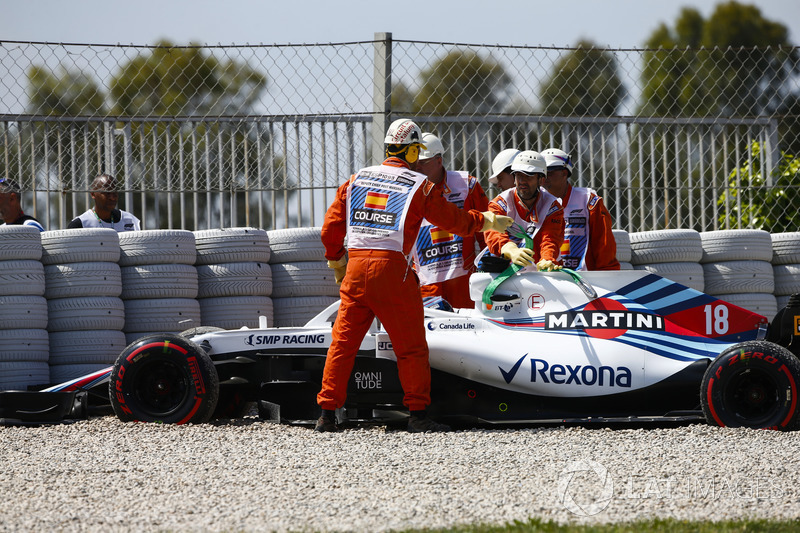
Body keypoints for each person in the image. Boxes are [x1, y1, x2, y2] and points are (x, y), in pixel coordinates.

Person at [316, 118, 513, 433]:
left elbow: (330, 229)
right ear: (411, 152)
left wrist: (336, 261)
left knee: (343, 342)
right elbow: (455, 221)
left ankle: (326, 414)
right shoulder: (418, 186)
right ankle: (418, 415)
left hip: (355, 270)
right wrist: (486, 220)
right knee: (410, 347)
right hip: (393, 270)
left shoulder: (356, 179)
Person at [411, 132, 489, 309]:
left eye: (423, 162)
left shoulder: (466, 185)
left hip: (462, 277)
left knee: (467, 328)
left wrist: (490, 269)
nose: (417, 167)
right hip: (426, 278)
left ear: (439, 161)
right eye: (415, 162)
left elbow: (486, 232)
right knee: (428, 331)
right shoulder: (410, 187)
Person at [483, 150, 564, 271]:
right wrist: (509, 249)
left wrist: (547, 259)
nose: (522, 181)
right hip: (505, 273)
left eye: (529, 176)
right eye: (519, 175)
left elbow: (550, 238)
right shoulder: (499, 203)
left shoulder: (552, 206)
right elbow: (494, 234)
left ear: (541, 180)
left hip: (539, 271)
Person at [541, 148, 619, 271]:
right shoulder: (533, 203)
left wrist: (607, 276)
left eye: (549, 173)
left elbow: (604, 244)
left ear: (564, 173)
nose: (544, 178)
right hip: (549, 277)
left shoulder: (588, 200)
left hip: (585, 278)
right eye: (541, 174)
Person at [67, 174, 141, 232]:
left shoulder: (130, 220)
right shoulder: (81, 224)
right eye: (107, 193)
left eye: (114, 192)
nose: (112, 197)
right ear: (93, 194)